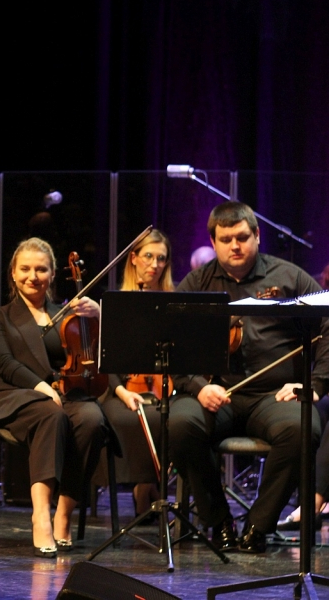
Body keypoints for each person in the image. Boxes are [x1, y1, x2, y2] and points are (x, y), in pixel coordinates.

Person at [168, 201, 329, 553]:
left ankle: (258, 525)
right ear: (213, 242)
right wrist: (198, 386)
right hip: (217, 394)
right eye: (226, 239)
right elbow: (173, 345)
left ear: (257, 235)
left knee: (303, 427)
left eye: (242, 237)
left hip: (274, 396)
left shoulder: (289, 277)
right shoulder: (197, 283)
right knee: (180, 424)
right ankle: (218, 521)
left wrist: (314, 384)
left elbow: (328, 323)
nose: (235, 246)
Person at [0, 237, 107, 558]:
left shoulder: (67, 313)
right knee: (52, 415)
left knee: (92, 419)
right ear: (12, 272)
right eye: (25, 269)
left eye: (41, 269)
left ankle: (63, 514)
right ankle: (40, 515)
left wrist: (99, 317)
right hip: (15, 397)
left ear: (52, 275)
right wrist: (42, 387)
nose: (32, 276)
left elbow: (97, 354)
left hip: (63, 395)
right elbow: (6, 365)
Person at [99, 229, 174, 520]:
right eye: (148, 257)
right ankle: (146, 487)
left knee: (172, 418)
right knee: (135, 417)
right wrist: (122, 391)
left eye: (162, 259)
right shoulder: (117, 302)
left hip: (163, 387)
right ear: (133, 259)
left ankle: (148, 488)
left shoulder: (173, 301)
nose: (155, 264)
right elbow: (106, 361)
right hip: (120, 388)